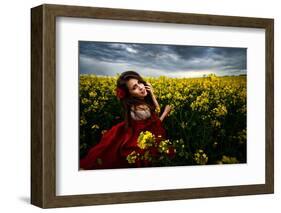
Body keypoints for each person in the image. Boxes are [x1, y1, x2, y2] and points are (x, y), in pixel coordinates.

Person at [80, 71, 171, 170]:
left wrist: (152, 94)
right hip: (139, 139)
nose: (141, 87)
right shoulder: (139, 109)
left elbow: (155, 113)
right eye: (134, 87)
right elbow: (156, 122)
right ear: (129, 94)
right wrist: (165, 113)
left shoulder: (138, 102)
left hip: (138, 131)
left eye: (139, 82)